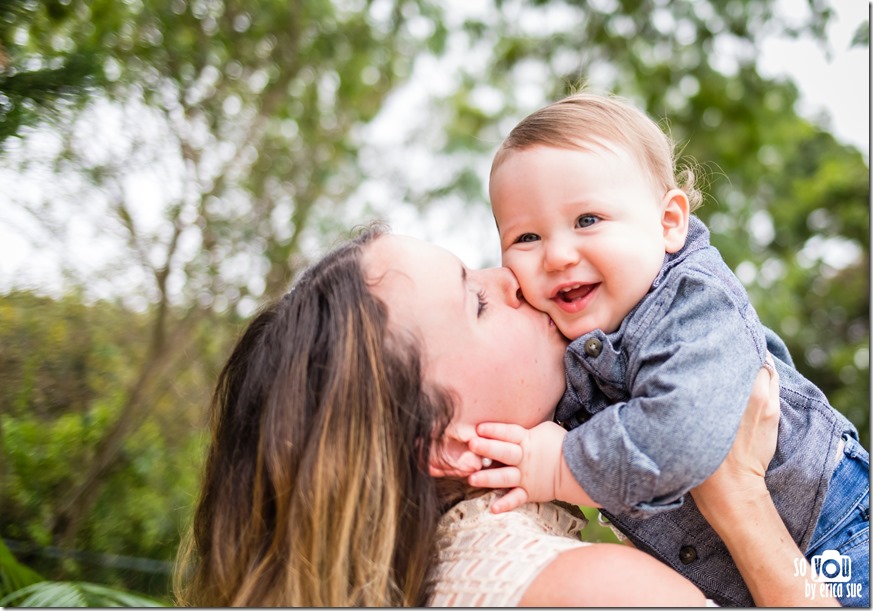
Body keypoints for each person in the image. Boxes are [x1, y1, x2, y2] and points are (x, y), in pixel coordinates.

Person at [173, 225, 838, 607]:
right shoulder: (593, 592)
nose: (511, 278)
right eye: (475, 301)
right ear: (447, 443)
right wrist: (741, 502)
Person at [470, 91, 869, 606]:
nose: (559, 255)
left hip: (834, 533)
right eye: (526, 237)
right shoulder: (563, 336)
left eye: (587, 220)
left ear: (668, 223)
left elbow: (681, 435)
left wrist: (557, 466)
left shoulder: (695, 302)